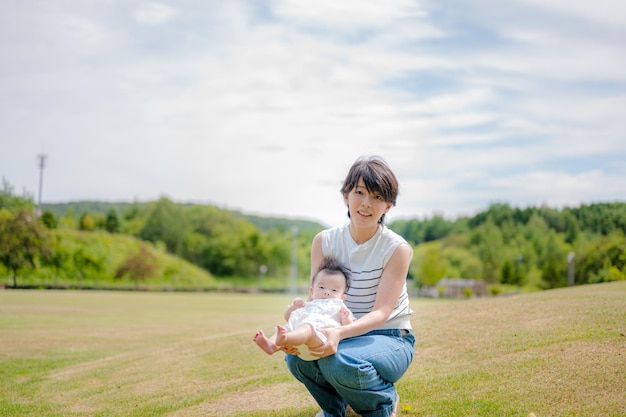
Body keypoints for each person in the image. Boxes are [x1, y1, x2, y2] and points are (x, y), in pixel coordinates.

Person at [285, 155, 415, 417]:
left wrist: (339, 334)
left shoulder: (396, 248)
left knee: (338, 360)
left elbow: (381, 313)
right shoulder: (324, 241)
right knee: (298, 359)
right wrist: (297, 327)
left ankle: (383, 403)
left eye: (377, 197)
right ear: (346, 196)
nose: (367, 203)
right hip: (341, 333)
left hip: (389, 337)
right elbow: (319, 301)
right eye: (360, 192)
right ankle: (334, 410)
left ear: (388, 206)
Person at [254, 257, 356, 360]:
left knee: (308, 327)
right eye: (321, 287)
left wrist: (346, 319)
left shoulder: (339, 306)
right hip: (298, 343)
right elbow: (288, 317)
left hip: (319, 340)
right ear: (312, 291)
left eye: (334, 290)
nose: (327, 292)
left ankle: (286, 339)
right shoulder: (308, 304)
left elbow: (349, 329)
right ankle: (271, 345)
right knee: (285, 328)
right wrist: (293, 308)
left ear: (342, 297)